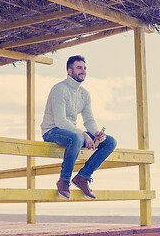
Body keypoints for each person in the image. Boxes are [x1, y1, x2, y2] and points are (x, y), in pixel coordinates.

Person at [41, 55, 117, 199]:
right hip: (52, 131)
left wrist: (96, 132)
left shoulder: (84, 94)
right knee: (77, 138)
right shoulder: (59, 89)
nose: (83, 71)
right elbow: (60, 121)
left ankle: (82, 177)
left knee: (110, 141)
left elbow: (88, 119)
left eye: (84, 68)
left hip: (71, 132)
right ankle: (64, 180)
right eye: (79, 68)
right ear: (69, 71)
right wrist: (83, 134)